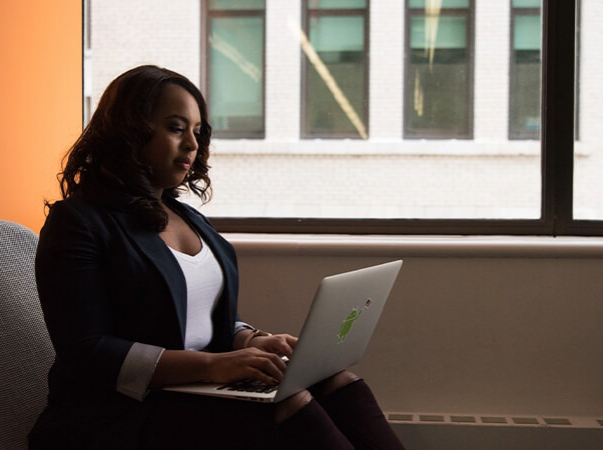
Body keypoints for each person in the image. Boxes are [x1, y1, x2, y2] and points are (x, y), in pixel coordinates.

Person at [29, 65, 405, 450]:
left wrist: (251, 340)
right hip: (123, 413)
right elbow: (86, 351)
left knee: (339, 382)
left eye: (197, 131)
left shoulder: (188, 217)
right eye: (176, 128)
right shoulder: (78, 223)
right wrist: (214, 365)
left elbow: (202, 318)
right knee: (290, 403)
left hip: (198, 391)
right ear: (129, 132)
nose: (192, 143)